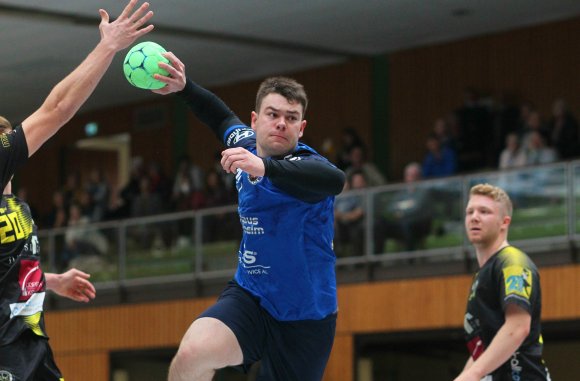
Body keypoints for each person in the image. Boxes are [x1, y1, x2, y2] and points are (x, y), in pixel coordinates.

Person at [153, 55, 345, 381]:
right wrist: (185, 87)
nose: (281, 123)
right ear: (255, 120)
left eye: (291, 117)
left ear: (302, 128)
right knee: (191, 355)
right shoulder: (246, 144)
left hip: (306, 316)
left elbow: (334, 179)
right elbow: (219, 117)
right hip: (252, 296)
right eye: (273, 114)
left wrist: (265, 168)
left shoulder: (306, 169)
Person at [0, 1, 154, 379]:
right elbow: (58, 108)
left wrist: (49, 281)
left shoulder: (15, 205)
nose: (14, 139)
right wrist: (108, 46)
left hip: (30, 351)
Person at [455, 184, 551, 381]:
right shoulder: (483, 273)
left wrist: (473, 375)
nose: (474, 217)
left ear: (504, 222)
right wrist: (466, 375)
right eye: (470, 211)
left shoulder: (512, 263)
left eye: (484, 211)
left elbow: (518, 327)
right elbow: (484, 347)